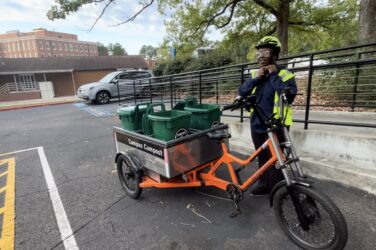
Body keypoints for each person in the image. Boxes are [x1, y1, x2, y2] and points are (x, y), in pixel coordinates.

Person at [237, 36, 298, 195]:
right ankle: (263, 184)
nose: (260, 56)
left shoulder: (285, 74)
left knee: (277, 159)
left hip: (277, 124)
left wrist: (273, 76)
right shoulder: (254, 74)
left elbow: (289, 97)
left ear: (275, 55)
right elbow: (242, 91)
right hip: (257, 122)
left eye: (265, 52)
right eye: (258, 53)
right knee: (262, 157)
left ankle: (277, 190)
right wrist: (256, 78)